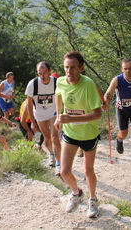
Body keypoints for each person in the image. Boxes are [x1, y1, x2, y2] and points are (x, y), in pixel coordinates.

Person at [54, 51, 102, 218]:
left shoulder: (88, 84)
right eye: (66, 67)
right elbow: (58, 95)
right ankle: (76, 193)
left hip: (88, 134)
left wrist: (71, 117)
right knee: (64, 171)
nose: (69, 71)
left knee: (88, 170)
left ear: (81, 68)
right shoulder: (60, 81)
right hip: (70, 132)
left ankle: (93, 200)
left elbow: (98, 114)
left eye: (73, 68)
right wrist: (59, 116)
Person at [25, 62, 61, 175]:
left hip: (53, 111)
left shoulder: (56, 82)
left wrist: (61, 114)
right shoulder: (33, 84)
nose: (42, 76)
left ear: (49, 71)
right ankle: (51, 153)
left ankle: (59, 164)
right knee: (47, 136)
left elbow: (62, 97)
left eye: (44, 73)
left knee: (55, 137)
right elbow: (29, 103)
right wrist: (32, 122)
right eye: (39, 73)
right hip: (40, 114)